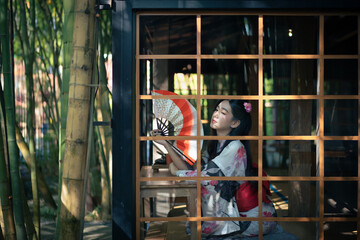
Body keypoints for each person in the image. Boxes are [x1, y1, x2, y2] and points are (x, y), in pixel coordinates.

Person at [151, 100, 278, 239]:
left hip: (252, 218)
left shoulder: (235, 147)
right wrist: (166, 144)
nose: (216, 114)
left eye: (223, 112)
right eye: (216, 109)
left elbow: (204, 176)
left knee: (207, 185)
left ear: (235, 123)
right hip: (238, 212)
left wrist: (176, 172)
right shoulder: (215, 146)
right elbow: (194, 170)